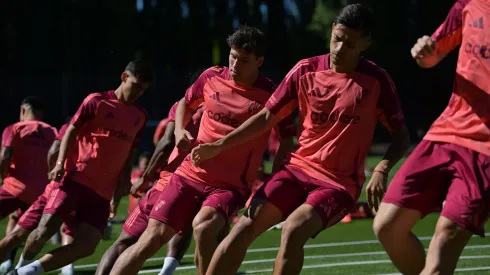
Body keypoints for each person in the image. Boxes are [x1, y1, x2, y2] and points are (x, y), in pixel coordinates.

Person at [191, 4, 410, 275]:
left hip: (339, 184)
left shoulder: (377, 81)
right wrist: (220, 145)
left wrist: (382, 168)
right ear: (332, 31)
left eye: (350, 44)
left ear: (366, 44)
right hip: (296, 170)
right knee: (243, 228)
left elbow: (401, 136)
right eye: (338, 39)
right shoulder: (304, 70)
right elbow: (265, 118)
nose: (340, 48)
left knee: (294, 229)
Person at [109, 26, 296, 275]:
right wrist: (179, 133)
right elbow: (186, 102)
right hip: (188, 175)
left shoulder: (271, 94)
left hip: (229, 186)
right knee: (150, 239)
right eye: (232, 56)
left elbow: (287, 136)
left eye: (244, 60)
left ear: (259, 61)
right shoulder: (211, 77)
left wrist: (277, 175)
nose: (235, 64)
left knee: (204, 226)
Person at [373, 1, 490, 274]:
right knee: (387, 227)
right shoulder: (468, 6)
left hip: (485, 150)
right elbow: (431, 56)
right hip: (444, 133)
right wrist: (423, 51)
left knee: (442, 246)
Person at [7, 60, 151, 275]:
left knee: (87, 245)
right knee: (43, 231)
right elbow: (71, 132)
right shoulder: (97, 101)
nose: (138, 92)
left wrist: (123, 181)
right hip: (75, 180)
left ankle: (25, 272)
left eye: (143, 90)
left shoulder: (140, 116)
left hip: (101, 192)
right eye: (136, 85)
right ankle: (19, 267)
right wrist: (58, 164)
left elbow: (129, 151)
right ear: (124, 77)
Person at [96, 101, 203, 275]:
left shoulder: (181, 106)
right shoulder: (220, 108)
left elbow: (165, 143)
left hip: (167, 182)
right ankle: (166, 272)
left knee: (126, 241)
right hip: (195, 185)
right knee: (184, 229)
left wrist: (145, 178)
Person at [0, 97, 57, 274]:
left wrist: (3, 176)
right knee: (18, 224)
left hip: (13, 187)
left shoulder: (15, 128)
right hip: (39, 192)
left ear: (23, 111)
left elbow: (4, 155)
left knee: (16, 224)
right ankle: (9, 263)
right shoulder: (53, 131)